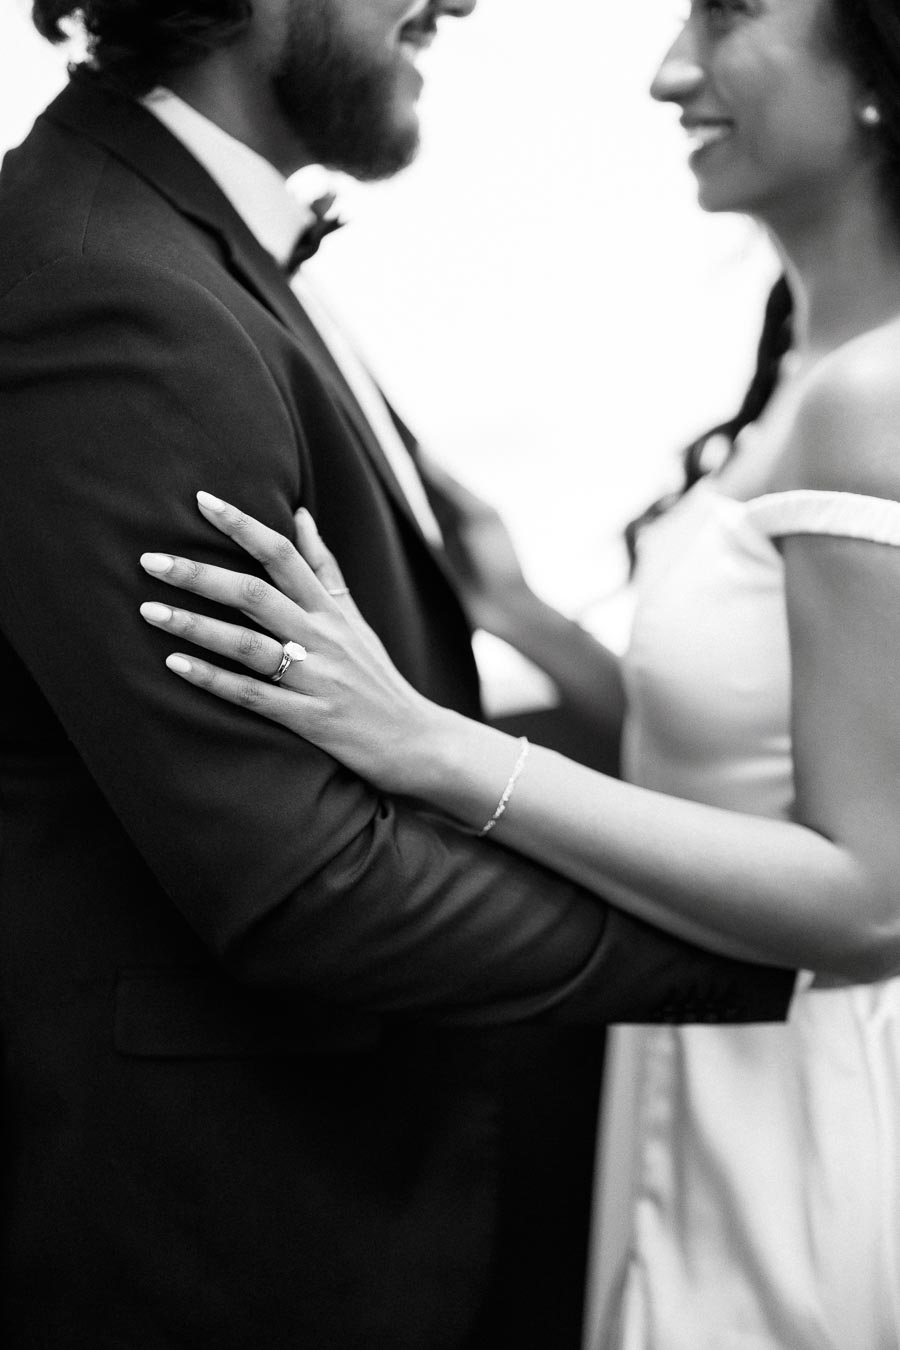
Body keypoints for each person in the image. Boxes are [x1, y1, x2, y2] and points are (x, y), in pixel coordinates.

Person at [0, 2, 795, 1347]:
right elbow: (305, 878)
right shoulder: (107, 277)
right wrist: (764, 938)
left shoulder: (197, 229)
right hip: (230, 1230)